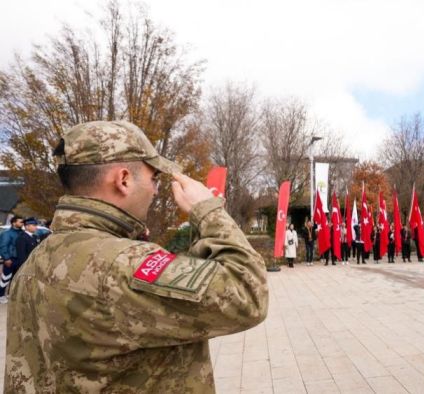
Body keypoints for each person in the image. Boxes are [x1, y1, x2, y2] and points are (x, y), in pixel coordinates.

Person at [4, 120, 269, 393]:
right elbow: (247, 294)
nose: (156, 190)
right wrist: (208, 211)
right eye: (154, 178)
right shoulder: (120, 263)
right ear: (123, 180)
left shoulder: (38, 260)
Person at [0, 215, 24, 304]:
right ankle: (1, 295)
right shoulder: (7, 233)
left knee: (16, 278)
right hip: (10, 259)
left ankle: (11, 294)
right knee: (5, 278)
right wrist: (6, 258)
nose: (22, 223)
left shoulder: (22, 233)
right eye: (20, 221)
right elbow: (3, 246)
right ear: (14, 223)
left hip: (20, 259)